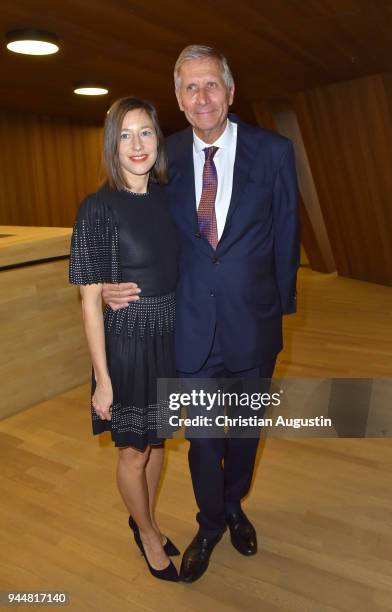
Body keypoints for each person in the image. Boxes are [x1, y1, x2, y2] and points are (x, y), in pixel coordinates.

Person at [102, 45, 300, 583]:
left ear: (230, 92)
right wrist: (106, 284)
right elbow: (132, 221)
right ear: (179, 100)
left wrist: (278, 312)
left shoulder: (274, 152)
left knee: (244, 435)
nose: (202, 96)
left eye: (211, 84)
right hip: (189, 329)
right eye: (190, 87)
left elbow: (287, 236)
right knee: (203, 439)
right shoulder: (162, 159)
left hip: (253, 324)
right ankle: (210, 522)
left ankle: (235, 505)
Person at [69, 97, 180, 582]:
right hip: (128, 344)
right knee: (132, 451)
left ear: (159, 139)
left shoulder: (169, 196)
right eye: (126, 134)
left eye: (146, 133)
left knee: (156, 444)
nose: (137, 145)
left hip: (169, 337)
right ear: (113, 144)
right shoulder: (97, 208)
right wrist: (103, 381)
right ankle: (148, 533)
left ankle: (147, 519)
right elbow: (90, 303)